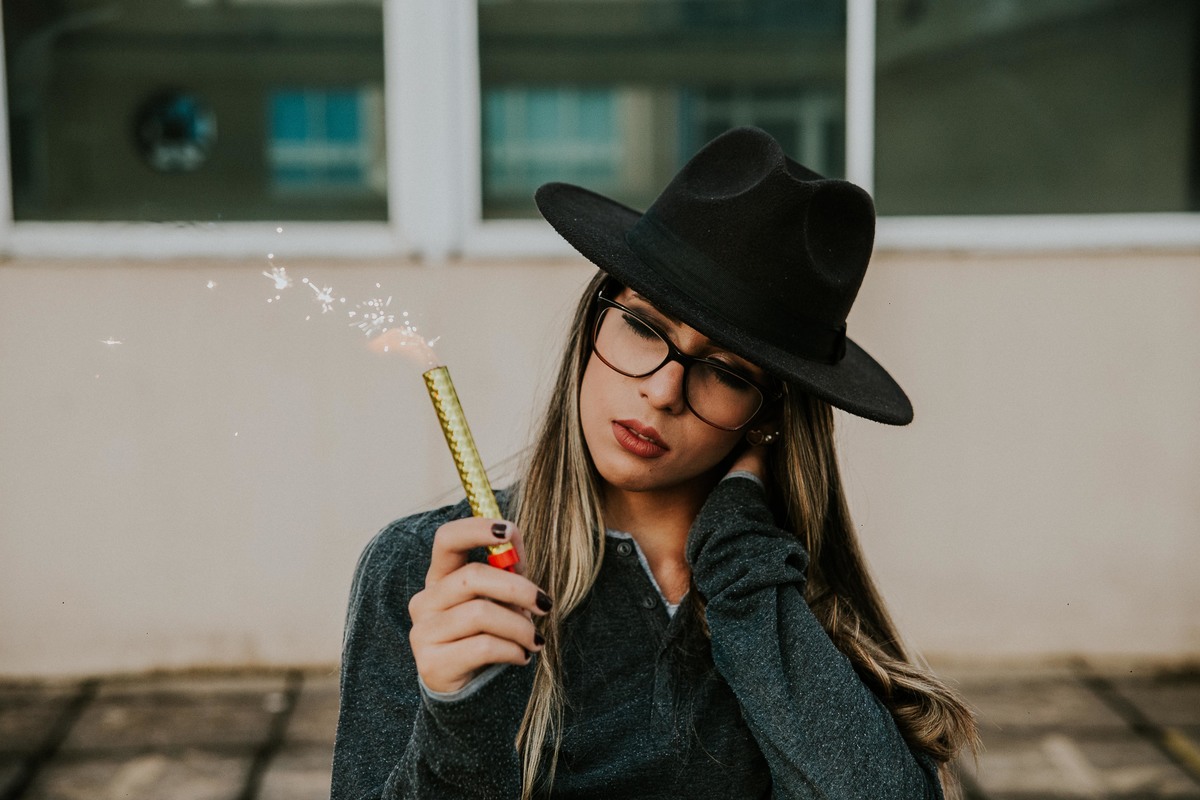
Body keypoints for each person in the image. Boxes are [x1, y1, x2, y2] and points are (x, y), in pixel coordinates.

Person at [332, 126, 977, 799]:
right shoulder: (428, 575)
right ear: (593, 323)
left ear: (767, 413)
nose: (663, 391)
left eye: (725, 371)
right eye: (643, 327)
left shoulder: (787, 597)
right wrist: (458, 713)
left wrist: (741, 559)